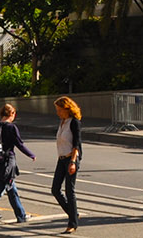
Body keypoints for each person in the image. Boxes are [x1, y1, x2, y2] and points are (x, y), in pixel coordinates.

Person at [0, 103, 35, 226]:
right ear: (12, 114)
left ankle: (21, 215)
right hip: (8, 162)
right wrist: (31, 154)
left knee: (12, 189)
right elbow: (19, 144)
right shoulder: (11, 128)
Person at [51, 96, 83, 233]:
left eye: (59, 110)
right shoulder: (62, 122)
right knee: (55, 189)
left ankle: (72, 223)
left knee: (70, 190)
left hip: (71, 158)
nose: (58, 113)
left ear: (67, 109)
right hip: (61, 158)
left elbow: (76, 143)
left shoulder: (74, 122)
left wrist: (73, 162)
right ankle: (73, 213)